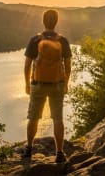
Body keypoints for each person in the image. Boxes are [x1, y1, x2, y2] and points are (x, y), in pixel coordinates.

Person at [23, 9, 72, 163]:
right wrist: (66, 83)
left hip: (38, 84)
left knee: (33, 118)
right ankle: (59, 153)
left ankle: (29, 149)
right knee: (57, 118)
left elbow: (27, 65)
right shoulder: (62, 40)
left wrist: (27, 84)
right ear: (56, 22)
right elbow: (68, 65)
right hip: (57, 85)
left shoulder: (35, 40)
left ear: (43, 21)